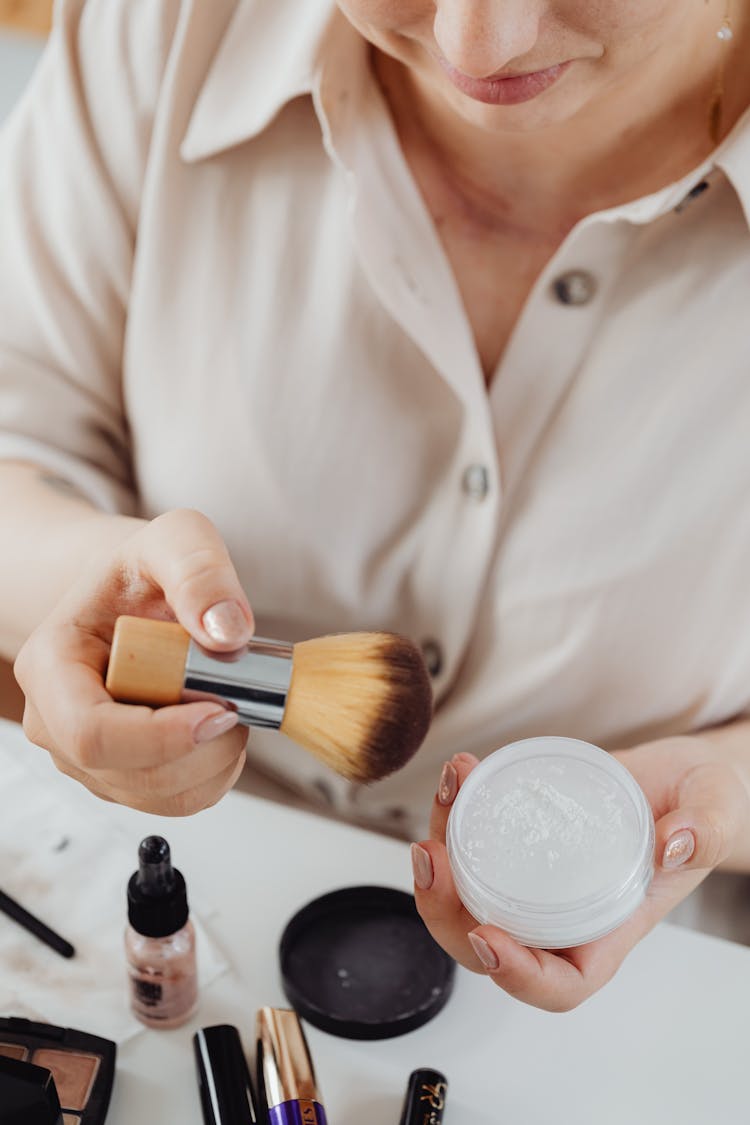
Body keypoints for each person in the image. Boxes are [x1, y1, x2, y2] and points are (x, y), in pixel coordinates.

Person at [1, 0, 750, 1012]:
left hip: (637, 1000)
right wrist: (71, 586)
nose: (475, 47)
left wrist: (723, 796)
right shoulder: (167, 26)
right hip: (164, 907)